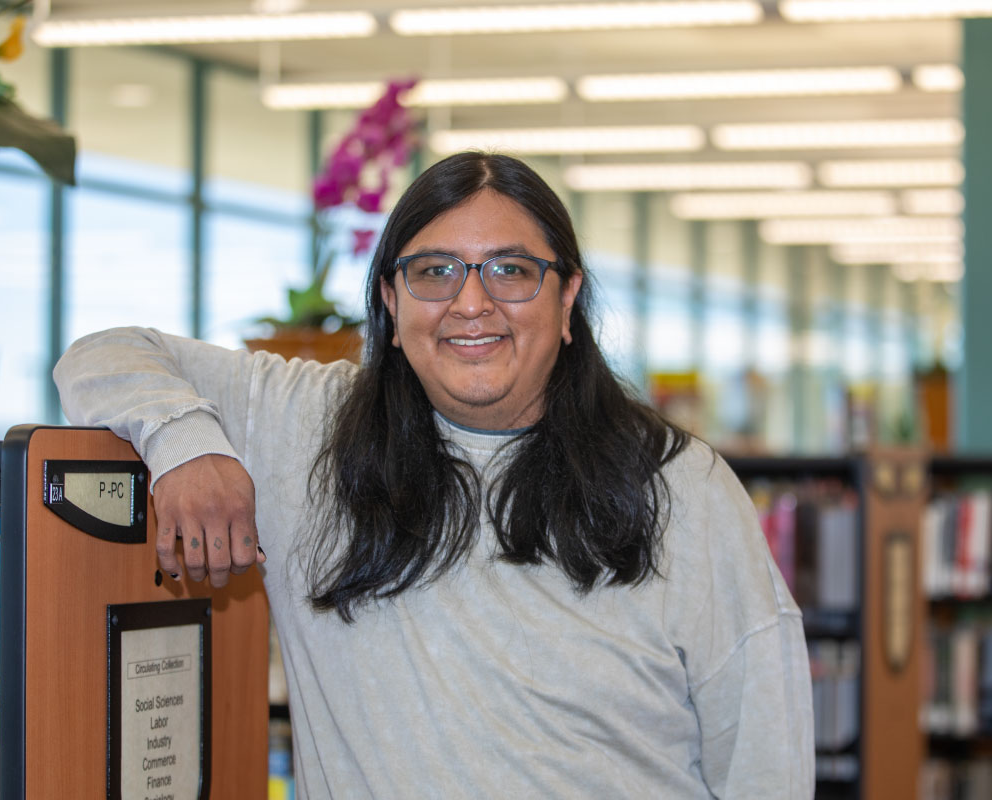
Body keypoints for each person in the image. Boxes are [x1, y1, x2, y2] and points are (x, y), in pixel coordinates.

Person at [54, 152, 814, 798]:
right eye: (435, 271)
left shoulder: (677, 486)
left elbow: (765, 755)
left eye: (512, 271)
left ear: (568, 297)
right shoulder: (302, 425)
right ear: (389, 299)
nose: (471, 303)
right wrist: (188, 445)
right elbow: (103, 354)